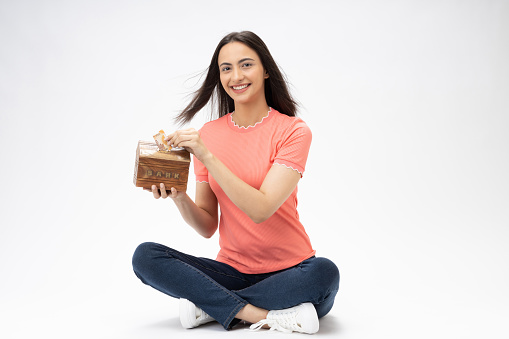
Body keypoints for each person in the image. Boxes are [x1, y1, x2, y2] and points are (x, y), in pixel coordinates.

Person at [132, 31, 340, 334]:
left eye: (246, 65)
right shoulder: (210, 134)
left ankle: (211, 305)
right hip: (230, 271)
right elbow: (207, 226)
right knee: (146, 256)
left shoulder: (293, 131)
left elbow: (262, 208)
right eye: (226, 68)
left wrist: (207, 155)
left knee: (324, 274)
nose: (236, 76)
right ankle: (261, 314)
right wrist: (179, 195)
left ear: (265, 70)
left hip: (293, 272)